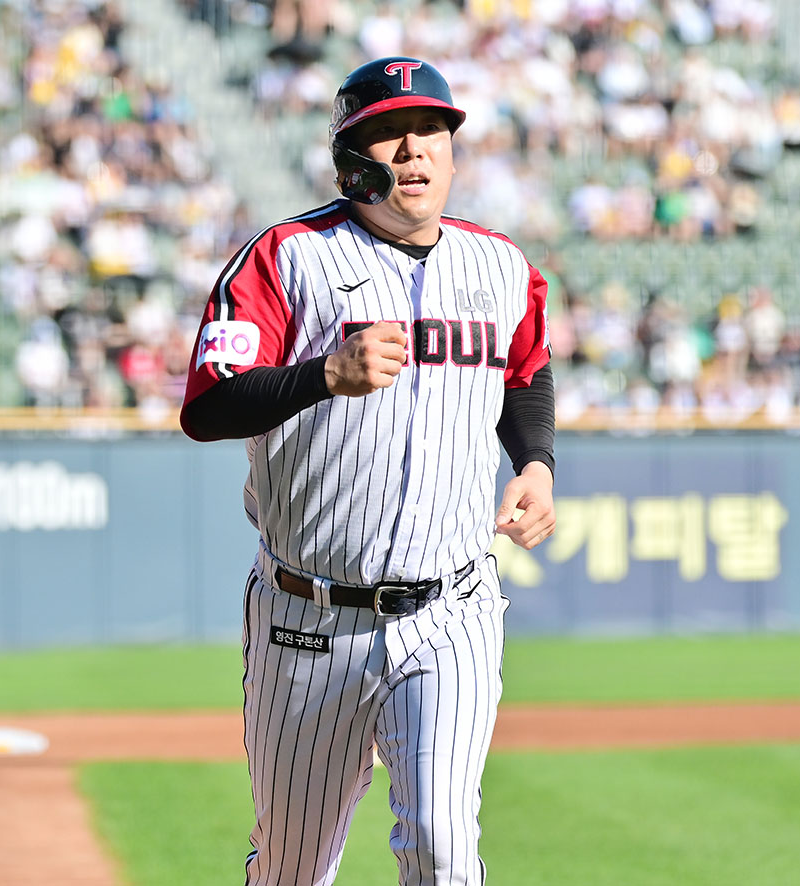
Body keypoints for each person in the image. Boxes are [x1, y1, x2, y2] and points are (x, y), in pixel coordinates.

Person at [179, 56, 556, 885]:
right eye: (389, 132)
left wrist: (535, 462)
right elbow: (208, 407)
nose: (413, 149)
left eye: (430, 131)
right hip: (306, 621)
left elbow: (524, 372)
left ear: (454, 154)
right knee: (293, 867)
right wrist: (323, 374)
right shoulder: (287, 257)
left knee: (444, 848)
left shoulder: (499, 266)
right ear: (354, 162)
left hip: (451, 609)